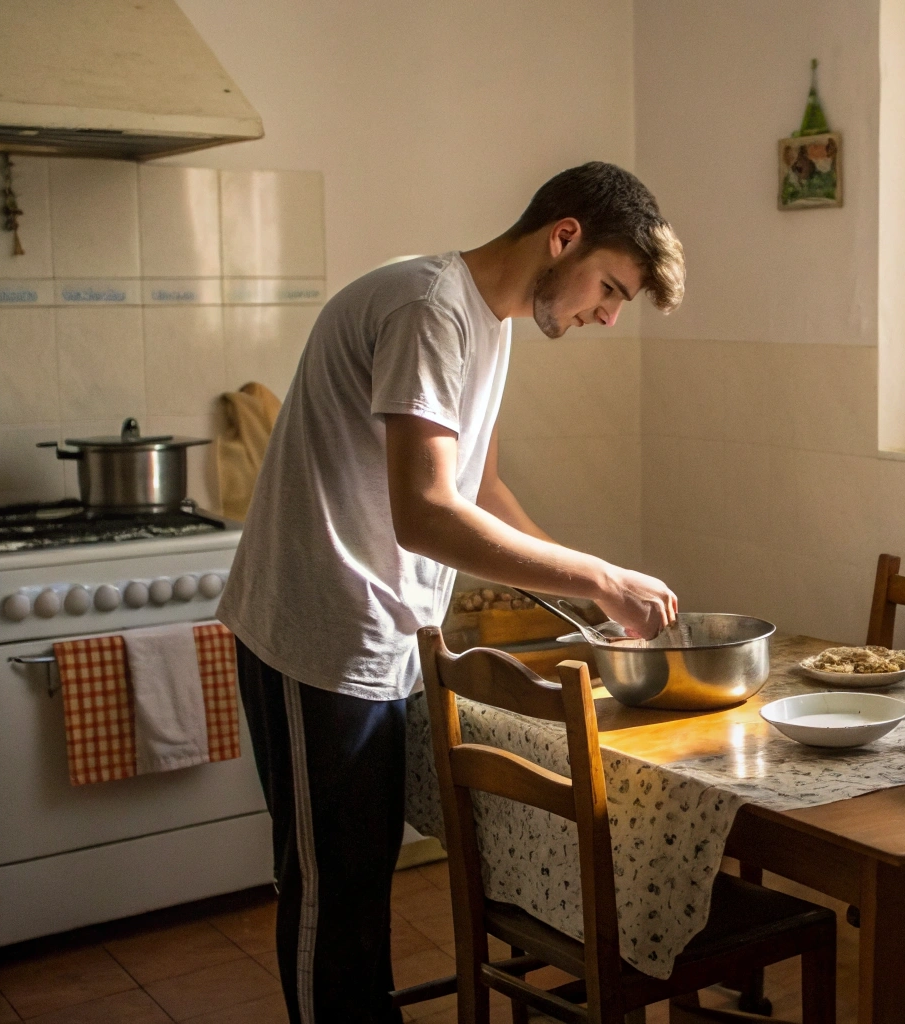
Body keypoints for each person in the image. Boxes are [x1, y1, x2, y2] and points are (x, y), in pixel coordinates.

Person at [217, 162, 685, 1024]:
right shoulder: (428, 307)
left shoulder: (489, 321)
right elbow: (426, 516)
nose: (608, 315)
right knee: (332, 897)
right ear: (565, 236)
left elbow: (479, 489)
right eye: (610, 288)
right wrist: (603, 577)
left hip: (380, 633)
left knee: (359, 885)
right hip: (314, 634)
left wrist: (589, 595)